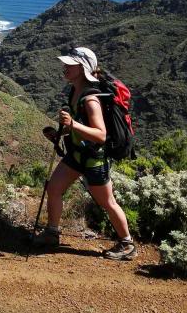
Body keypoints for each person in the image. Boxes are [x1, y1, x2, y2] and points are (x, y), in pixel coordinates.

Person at [33, 47, 137, 260]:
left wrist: (72, 124)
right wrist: (63, 131)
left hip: (93, 159)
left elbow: (100, 134)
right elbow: (78, 126)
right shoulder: (75, 91)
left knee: (107, 202)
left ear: (81, 68)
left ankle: (127, 244)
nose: (65, 67)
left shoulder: (90, 98)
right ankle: (52, 233)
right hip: (77, 154)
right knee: (54, 188)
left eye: (69, 64)